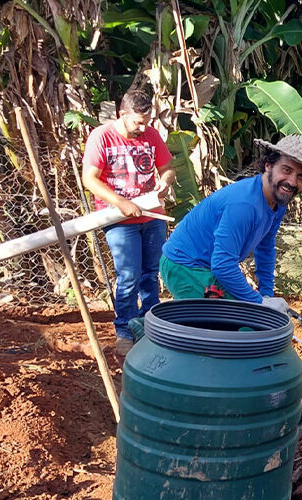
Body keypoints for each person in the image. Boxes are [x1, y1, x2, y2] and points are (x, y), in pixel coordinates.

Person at [160, 134, 302, 437]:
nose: (292, 181)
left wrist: (266, 296)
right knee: (235, 338)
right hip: (187, 267)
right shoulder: (244, 205)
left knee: (253, 327)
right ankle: (237, 414)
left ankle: (282, 413)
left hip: (208, 267)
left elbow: (266, 249)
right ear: (268, 165)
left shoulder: (277, 202)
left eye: (301, 176)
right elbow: (222, 265)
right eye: (287, 170)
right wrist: (258, 304)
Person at [82, 90, 175, 357]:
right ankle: (125, 330)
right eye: (138, 122)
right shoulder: (101, 137)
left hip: (152, 216)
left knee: (150, 273)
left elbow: (168, 168)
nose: (143, 128)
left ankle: (150, 326)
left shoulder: (151, 135)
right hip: (119, 219)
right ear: (121, 114)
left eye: (147, 122)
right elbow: (90, 178)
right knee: (128, 275)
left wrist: (165, 182)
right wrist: (121, 203)